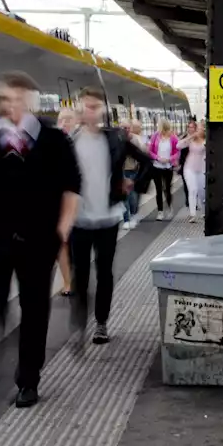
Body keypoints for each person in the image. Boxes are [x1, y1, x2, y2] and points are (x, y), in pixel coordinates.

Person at [0, 71, 80, 409]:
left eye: (17, 100)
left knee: (35, 309)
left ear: (31, 101)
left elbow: (71, 188)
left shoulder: (54, 141)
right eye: (5, 100)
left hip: (40, 241)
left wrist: (63, 229)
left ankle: (28, 379)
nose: (11, 107)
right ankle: (0, 345)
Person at [68, 87, 152, 345]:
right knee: (79, 274)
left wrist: (132, 184)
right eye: (85, 106)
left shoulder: (115, 138)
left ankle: (101, 323)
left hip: (107, 218)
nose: (90, 111)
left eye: (94, 106)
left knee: (104, 272)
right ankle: (80, 320)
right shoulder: (69, 142)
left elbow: (146, 161)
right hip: (79, 219)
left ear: (102, 110)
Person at [57, 108, 79, 296]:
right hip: (59, 202)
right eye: (61, 119)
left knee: (77, 243)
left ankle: (78, 276)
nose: (64, 123)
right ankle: (67, 282)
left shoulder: (81, 143)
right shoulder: (51, 145)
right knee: (62, 243)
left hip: (79, 203)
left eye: (68, 119)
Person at [147, 120, 179, 221]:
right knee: (158, 189)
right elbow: (150, 151)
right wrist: (157, 158)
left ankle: (170, 208)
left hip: (168, 166)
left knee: (167, 189)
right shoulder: (155, 136)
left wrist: (169, 159)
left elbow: (177, 151)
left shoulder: (173, 137)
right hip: (157, 166)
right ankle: (160, 212)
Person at [178, 122, 206, 223]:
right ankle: (192, 214)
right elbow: (178, 145)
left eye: (199, 129)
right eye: (196, 129)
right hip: (189, 168)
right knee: (192, 190)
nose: (197, 131)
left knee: (202, 192)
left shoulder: (206, 140)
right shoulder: (191, 139)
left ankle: (204, 212)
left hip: (202, 168)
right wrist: (189, 137)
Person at [122, 120, 146, 229]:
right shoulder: (117, 139)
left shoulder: (136, 139)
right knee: (124, 196)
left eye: (127, 128)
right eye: (123, 128)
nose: (125, 130)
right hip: (122, 171)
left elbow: (142, 153)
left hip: (133, 170)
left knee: (132, 195)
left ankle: (133, 214)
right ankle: (126, 219)